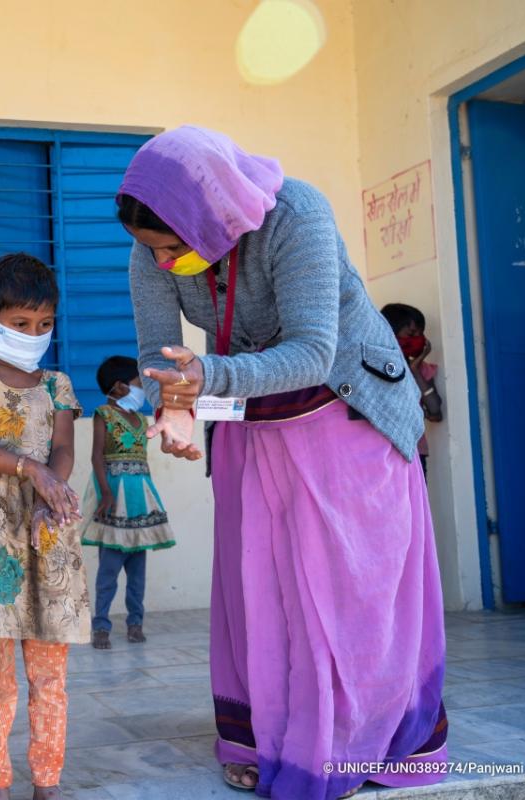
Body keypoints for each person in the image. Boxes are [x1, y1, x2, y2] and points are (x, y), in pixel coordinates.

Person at [119, 127, 447, 800]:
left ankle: (353, 740)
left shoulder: (297, 213)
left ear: (213, 213)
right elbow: (156, 351)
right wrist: (172, 407)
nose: (163, 265)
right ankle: (260, 735)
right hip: (251, 427)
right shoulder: (153, 246)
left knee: (348, 594)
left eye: (173, 249)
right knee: (260, 591)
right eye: (154, 251)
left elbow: (310, 353)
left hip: (345, 416)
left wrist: (202, 377)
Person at [0, 253, 90, 800]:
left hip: (48, 530)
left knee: (50, 672)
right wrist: (33, 473)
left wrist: (52, 491)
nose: (35, 334)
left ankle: (47, 781)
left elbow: (65, 447)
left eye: (44, 324)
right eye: (21, 324)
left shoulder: (58, 385)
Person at [81, 355, 175, 650]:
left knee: (138, 569)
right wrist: (105, 492)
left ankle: (136, 622)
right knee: (109, 569)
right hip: (115, 498)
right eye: (137, 383)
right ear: (120, 387)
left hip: (139, 500)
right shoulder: (103, 414)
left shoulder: (142, 419)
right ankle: (101, 626)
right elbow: (97, 456)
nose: (141, 389)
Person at [382, 303, 444, 480]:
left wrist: (415, 369)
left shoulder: (423, 370)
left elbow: (435, 411)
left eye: (420, 334)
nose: (418, 339)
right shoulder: (376, 368)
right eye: (411, 334)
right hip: (384, 452)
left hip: (416, 453)